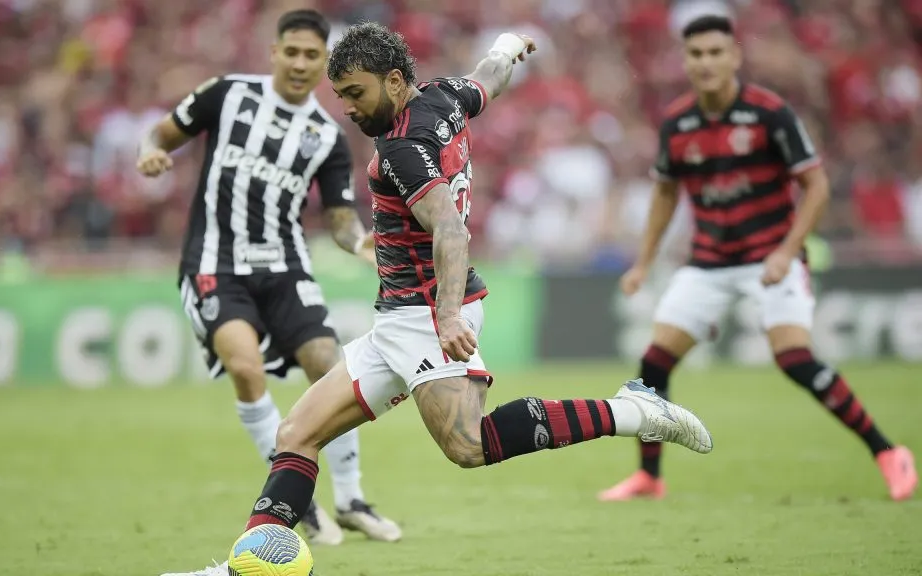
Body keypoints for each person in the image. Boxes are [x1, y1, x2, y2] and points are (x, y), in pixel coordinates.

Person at [161, 20, 714, 576]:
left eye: (356, 93)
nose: (348, 108)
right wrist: (507, 46)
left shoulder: (402, 148)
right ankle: (241, 568)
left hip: (428, 313)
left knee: (470, 444)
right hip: (403, 316)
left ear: (395, 81)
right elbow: (488, 79)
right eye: (342, 96)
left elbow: (450, 227)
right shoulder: (444, 95)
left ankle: (631, 410)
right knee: (297, 434)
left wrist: (446, 315)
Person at [598, 15, 917, 502]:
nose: (706, 62)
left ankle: (887, 452)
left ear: (734, 57)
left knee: (794, 358)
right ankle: (649, 477)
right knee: (653, 363)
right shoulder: (678, 123)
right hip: (707, 262)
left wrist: (787, 251)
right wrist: (643, 262)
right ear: (686, 61)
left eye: (714, 52)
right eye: (696, 54)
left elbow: (817, 185)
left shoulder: (770, 114)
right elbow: (665, 193)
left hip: (770, 256)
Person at [136, 9, 401, 544]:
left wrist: (359, 243)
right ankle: (295, 503)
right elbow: (162, 133)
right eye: (292, 52)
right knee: (245, 366)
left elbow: (339, 215)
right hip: (215, 264)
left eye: (312, 56)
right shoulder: (227, 94)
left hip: (285, 268)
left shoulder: (326, 134)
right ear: (274, 52)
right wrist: (150, 153)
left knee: (332, 369)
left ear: (323, 62)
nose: (301, 64)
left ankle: (350, 499)